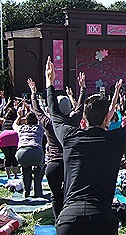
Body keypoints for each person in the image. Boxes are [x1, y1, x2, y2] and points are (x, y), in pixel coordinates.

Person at [46, 55, 126, 235]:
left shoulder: (70, 137)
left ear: (83, 120)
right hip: (102, 222)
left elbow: (54, 112)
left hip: (68, 224)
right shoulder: (115, 139)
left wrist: (49, 84)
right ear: (108, 118)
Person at [28, 73, 86, 220]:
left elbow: (37, 111)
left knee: (56, 196)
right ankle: (70, 222)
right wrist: (83, 89)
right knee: (70, 196)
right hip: (71, 165)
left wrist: (33, 94)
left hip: (53, 165)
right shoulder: (73, 121)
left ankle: (59, 222)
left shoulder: (49, 123)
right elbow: (80, 107)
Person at [13, 103, 45, 198]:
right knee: (39, 169)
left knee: (25, 169)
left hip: (22, 152)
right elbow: (43, 119)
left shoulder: (22, 128)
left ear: (26, 121)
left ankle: (26, 192)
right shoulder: (40, 128)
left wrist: (19, 116)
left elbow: (14, 125)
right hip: (36, 151)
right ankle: (38, 191)